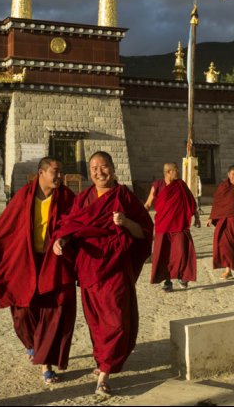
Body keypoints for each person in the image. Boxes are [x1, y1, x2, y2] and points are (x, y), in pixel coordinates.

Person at [52, 151, 153, 396]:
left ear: (113, 168)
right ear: (90, 172)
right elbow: (71, 226)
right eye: (94, 168)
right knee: (96, 320)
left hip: (116, 267)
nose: (99, 172)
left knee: (116, 319)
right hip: (88, 267)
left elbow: (144, 232)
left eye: (104, 166)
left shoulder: (125, 197)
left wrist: (125, 223)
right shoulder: (84, 198)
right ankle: (103, 360)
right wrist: (61, 241)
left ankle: (105, 374)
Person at [0, 157, 76, 384]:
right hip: (25, 260)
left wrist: (65, 238)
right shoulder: (24, 196)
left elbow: (76, 223)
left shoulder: (67, 197)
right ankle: (32, 344)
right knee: (22, 310)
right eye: (55, 172)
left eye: (61, 172)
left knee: (51, 310)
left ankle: (45, 363)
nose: (59, 176)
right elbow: (6, 227)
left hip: (53, 262)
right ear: (41, 173)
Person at [144, 162, 201, 292]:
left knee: (181, 251)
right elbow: (148, 204)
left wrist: (196, 217)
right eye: (176, 170)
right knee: (163, 254)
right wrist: (138, 217)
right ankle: (167, 281)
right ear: (168, 172)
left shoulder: (180, 185)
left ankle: (181, 275)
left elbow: (190, 201)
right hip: (163, 226)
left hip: (179, 225)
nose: (178, 172)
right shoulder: (157, 186)